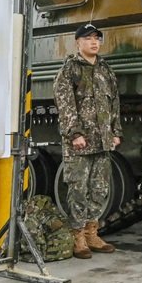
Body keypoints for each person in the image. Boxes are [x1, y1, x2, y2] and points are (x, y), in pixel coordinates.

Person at [54, 22, 121, 259]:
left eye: (97, 38)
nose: (94, 42)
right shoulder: (70, 69)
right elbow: (65, 104)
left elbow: (114, 103)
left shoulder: (105, 70)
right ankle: (78, 236)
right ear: (78, 42)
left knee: (99, 189)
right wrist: (75, 133)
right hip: (80, 142)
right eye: (88, 38)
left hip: (102, 142)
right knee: (78, 189)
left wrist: (116, 132)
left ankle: (92, 233)